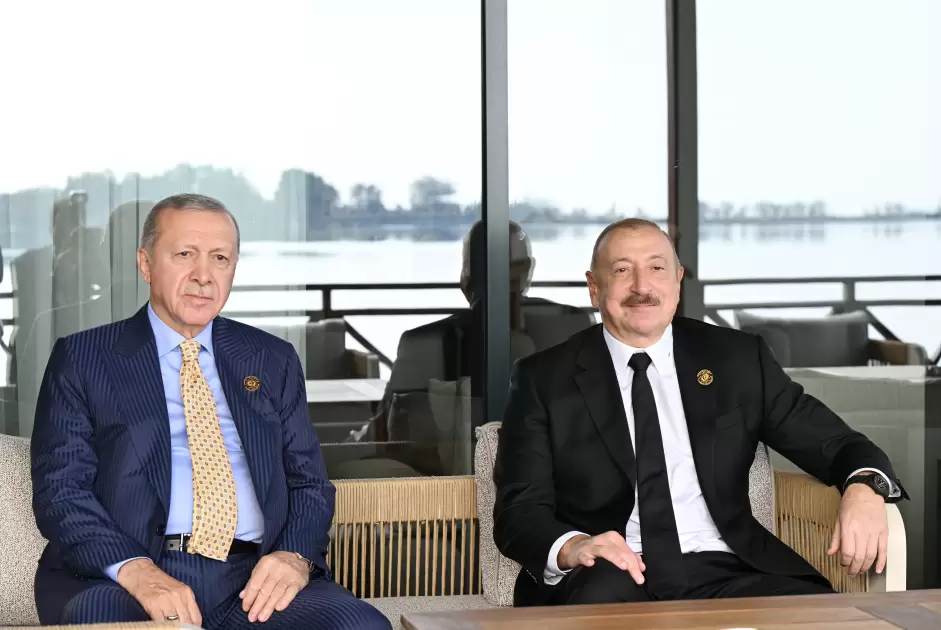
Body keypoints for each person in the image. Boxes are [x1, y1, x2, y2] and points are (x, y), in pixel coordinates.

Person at [492, 218, 908, 607]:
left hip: (729, 567)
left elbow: (837, 444)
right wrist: (576, 546)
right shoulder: (543, 379)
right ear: (594, 288)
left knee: (819, 614)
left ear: (678, 279)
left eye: (657, 268)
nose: (641, 286)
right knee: (600, 604)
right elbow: (518, 512)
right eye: (621, 270)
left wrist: (864, 486)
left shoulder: (737, 359)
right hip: (612, 570)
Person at [31, 193, 390, 629]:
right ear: (146, 264)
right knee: (101, 618)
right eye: (185, 254)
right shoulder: (85, 358)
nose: (203, 275)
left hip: (254, 579)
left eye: (220, 258)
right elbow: (61, 489)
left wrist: (293, 555)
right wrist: (137, 571)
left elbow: (309, 482)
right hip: (131, 577)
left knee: (360, 625)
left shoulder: (271, 359)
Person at [347, 221, 592, 476]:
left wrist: (347, 445)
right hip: (562, 480)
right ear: (528, 271)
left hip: (444, 489)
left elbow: (384, 432)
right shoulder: (573, 325)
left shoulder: (422, 343)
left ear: (466, 278)